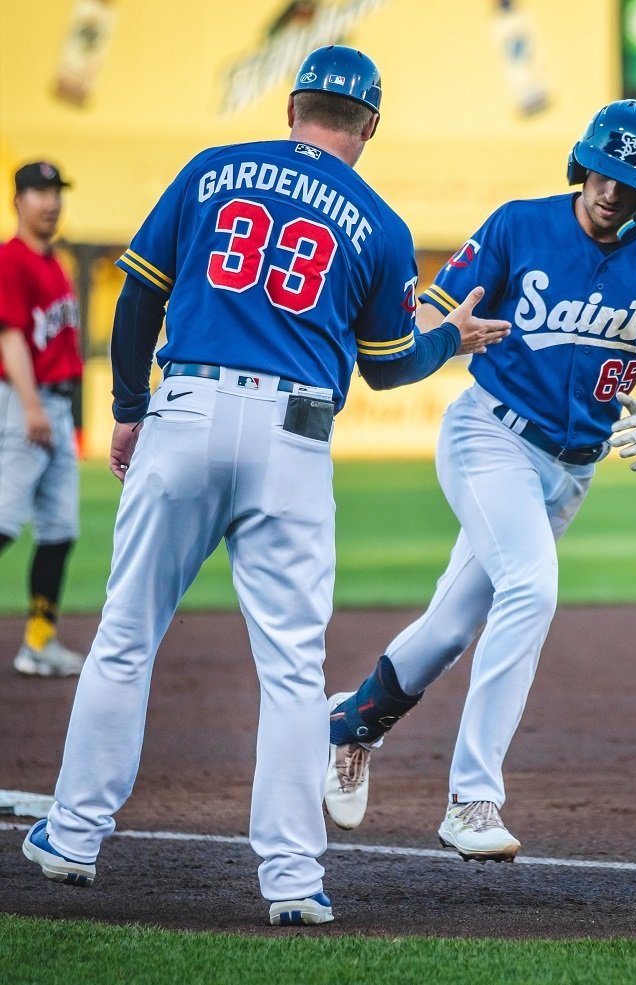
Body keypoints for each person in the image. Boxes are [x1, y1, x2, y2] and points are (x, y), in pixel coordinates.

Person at [19, 46, 506, 926]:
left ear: (292, 108)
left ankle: (73, 836)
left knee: (126, 634)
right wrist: (453, 338)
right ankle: (292, 881)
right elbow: (391, 367)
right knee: (290, 670)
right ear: (370, 125)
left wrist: (129, 406)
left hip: (190, 406)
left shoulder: (211, 170)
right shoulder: (380, 220)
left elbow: (137, 296)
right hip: (294, 434)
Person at [319, 99, 636, 863]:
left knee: (448, 626)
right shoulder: (518, 224)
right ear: (581, 165)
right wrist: (443, 332)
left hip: (570, 471)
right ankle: (473, 796)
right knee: (532, 586)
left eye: (627, 182)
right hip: (489, 434)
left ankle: (348, 724)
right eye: (600, 172)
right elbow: (438, 309)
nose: (608, 191)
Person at [0, 161, 85, 677]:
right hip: (22, 402)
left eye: (55, 191)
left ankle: (38, 642)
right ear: (18, 200)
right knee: (4, 522)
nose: (50, 201)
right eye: (38, 191)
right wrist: (31, 404)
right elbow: (9, 335)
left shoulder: (54, 263)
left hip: (55, 405)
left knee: (59, 530)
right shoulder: (12, 260)